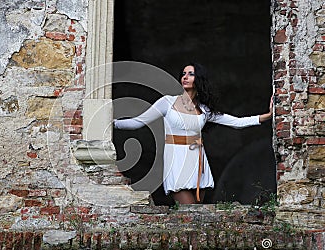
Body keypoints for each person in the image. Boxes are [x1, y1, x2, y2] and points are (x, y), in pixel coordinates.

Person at [114, 63, 273, 204]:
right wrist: (112, 123)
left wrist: (267, 116)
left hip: (197, 161)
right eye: (183, 74)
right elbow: (138, 122)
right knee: (189, 208)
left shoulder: (204, 110)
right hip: (176, 159)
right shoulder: (167, 102)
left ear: (199, 79)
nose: (185, 77)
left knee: (195, 213)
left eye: (190, 74)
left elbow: (236, 122)